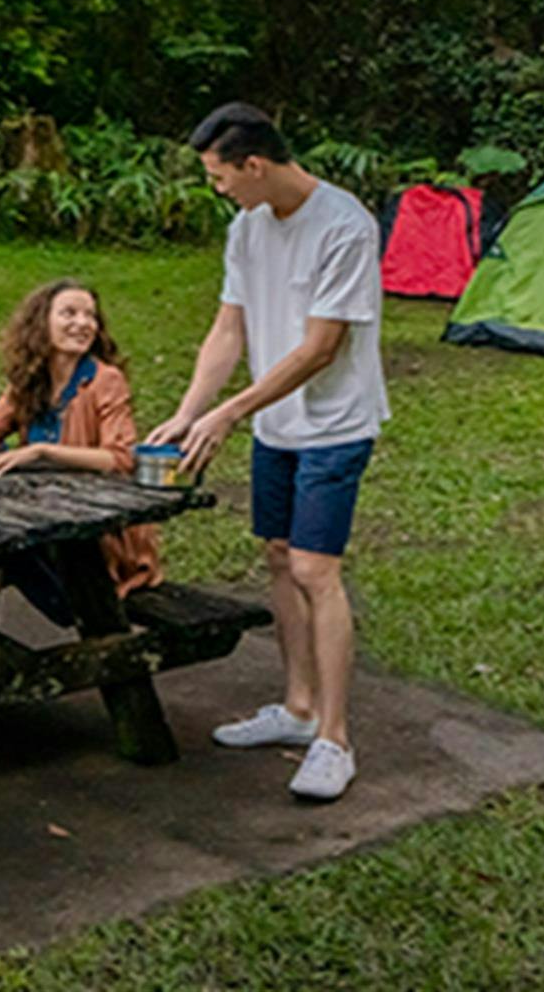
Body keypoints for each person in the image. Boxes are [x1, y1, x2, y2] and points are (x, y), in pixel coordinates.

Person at [146, 103, 387, 802]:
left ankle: (334, 740)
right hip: (275, 424)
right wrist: (191, 411)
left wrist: (230, 411)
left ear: (255, 165)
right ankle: (298, 707)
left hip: (335, 423)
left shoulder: (344, 226)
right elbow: (229, 329)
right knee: (279, 556)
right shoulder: (248, 228)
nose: (216, 188)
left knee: (316, 567)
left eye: (220, 176)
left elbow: (321, 348)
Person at [0, 280, 162, 647]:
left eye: (90, 315)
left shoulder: (105, 380)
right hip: (38, 519)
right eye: (69, 313)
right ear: (42, 323)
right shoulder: (30, 379)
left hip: (95, 533)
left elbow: (120, 457)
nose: (82, 323)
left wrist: (42, 452)